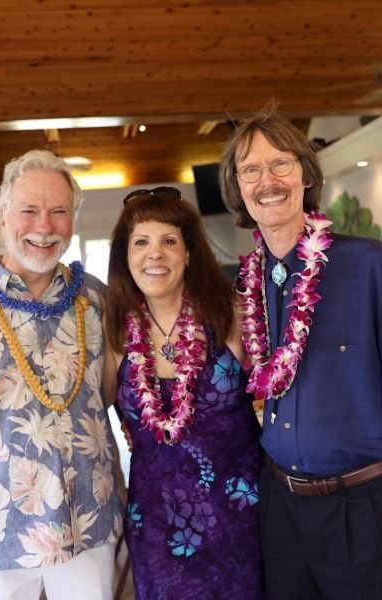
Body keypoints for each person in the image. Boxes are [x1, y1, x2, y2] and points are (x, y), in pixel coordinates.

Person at [0, 150, 122, 600]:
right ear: (3, 216)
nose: (44, 226)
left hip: (89, 521)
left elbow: (107, 397)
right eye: (29, 211)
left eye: (59, 212)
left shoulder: (97, 300)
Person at [219, 103, 382, 600]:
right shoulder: (248, 284)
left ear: (306, 175)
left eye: (280, 164)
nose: (266, 181)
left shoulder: (369, 267)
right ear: (239, 188)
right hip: (281, 508)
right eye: (250, 170)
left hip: (362, 509)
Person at [103, 187, 265, 600]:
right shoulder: (115, 332)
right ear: (125, 256)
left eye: (169, 241)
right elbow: (88, 411)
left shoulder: (232, 313)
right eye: (141, 242)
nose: (154, 254)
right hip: (157, 526)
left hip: (243, 519)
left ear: (189, 253)